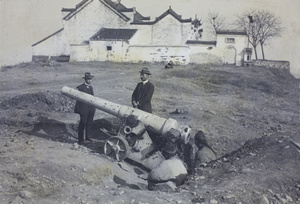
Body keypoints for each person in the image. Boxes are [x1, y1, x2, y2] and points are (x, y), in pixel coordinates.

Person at [74, 72, 96, 145]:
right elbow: (76, 96)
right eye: (88, 79)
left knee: (89, 123)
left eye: (90, 79)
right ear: (85, 79)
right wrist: (80, 109)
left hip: (91, 108)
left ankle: (88, 137)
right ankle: (81, 140)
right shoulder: (80, 87)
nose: (89, 81)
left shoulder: (91, 87)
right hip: (84, 109)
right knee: (82, 123)